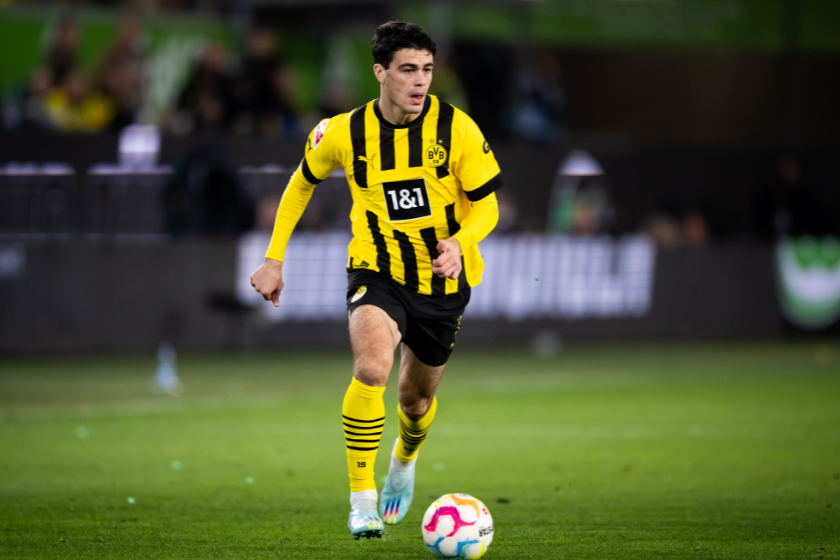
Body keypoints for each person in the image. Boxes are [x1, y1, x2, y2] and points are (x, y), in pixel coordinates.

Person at [249, 21, 502, 540]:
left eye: (427, 70)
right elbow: (301, 184)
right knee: (370, 368)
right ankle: (361, 501)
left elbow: (488, 205)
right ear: (380, 72)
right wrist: (274, 258)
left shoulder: (458, 129)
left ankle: (404, 461)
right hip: (376, 268)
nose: (420, 81)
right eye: (408, 69)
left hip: (440, 280)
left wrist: (460, 242)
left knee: (415, 401)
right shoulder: (343, 132)